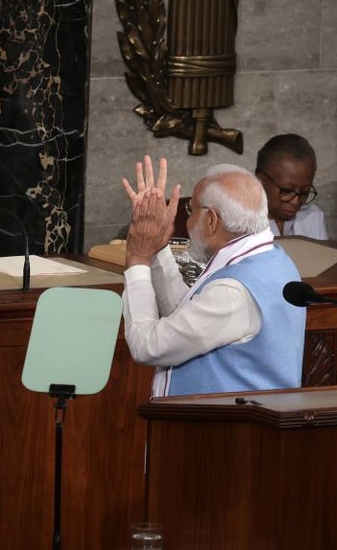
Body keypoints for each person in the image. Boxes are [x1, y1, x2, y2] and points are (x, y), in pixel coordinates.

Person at [120, 156, 305, 397]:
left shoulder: (233, 292)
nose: (186, 221)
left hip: (218, 431)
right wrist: (157, 248)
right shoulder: (273, 258)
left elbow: (147, 346)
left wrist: (138, 258)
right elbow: (186, 319)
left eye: (190, 210)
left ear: (211, 220)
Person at [255, 133, 326, 239]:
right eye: (287, 191)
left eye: (304, 192)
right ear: (261, 180)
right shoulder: (238, 223)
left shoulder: (312, 216)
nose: (296, 202)